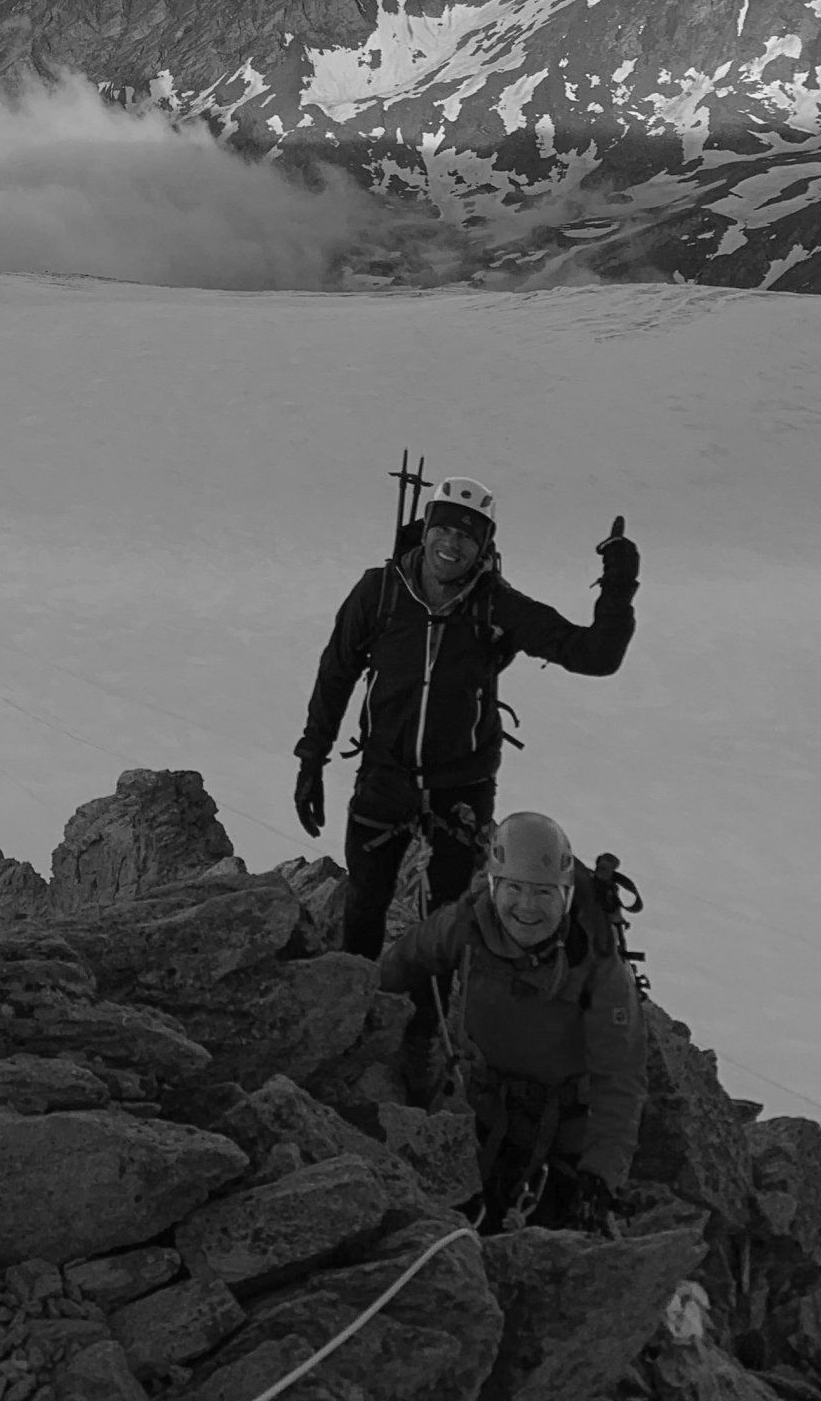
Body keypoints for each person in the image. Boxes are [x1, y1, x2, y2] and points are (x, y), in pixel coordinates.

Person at [292, 475, 639, 960]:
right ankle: (358, 996)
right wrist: (312, 759)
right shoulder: (380, 592)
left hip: (462, 787)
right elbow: (337, 673)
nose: (452, 543)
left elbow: (596, 655)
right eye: (444, 529)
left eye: (467, 535)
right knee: (365, 906)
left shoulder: (497, 605)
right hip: (385, 773)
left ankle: (426, 1009)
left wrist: (619, 583)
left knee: (447, 922)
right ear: (426, 529)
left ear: (484, 546)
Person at [378, 809, 647, 1233]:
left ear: (566, 897)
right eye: (515, 888)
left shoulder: (598, 968)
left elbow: (620, 1081)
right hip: (479, 1109)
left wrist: (599, 1177)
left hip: (561, 1137)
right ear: (493, 886)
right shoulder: (468, 923)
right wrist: (363, 1006)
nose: (527, 906)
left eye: (543, 892)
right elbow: (410, 957)